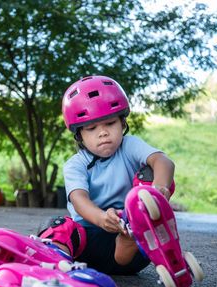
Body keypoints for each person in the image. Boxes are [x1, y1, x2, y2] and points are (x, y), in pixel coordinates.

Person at [39, 75, 175, 275]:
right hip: (87, 246)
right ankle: (55, 263)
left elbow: (164, 162)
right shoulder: (76, 164)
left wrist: (159, 190)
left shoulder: (129, 145)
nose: (102, 133)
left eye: (110, 123)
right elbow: (79, 200)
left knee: (150, 172)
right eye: (92, 128)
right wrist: (102, 218)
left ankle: (129, 239)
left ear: (122, 123)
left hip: (135, 244)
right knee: (56, 226)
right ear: (80, 135)